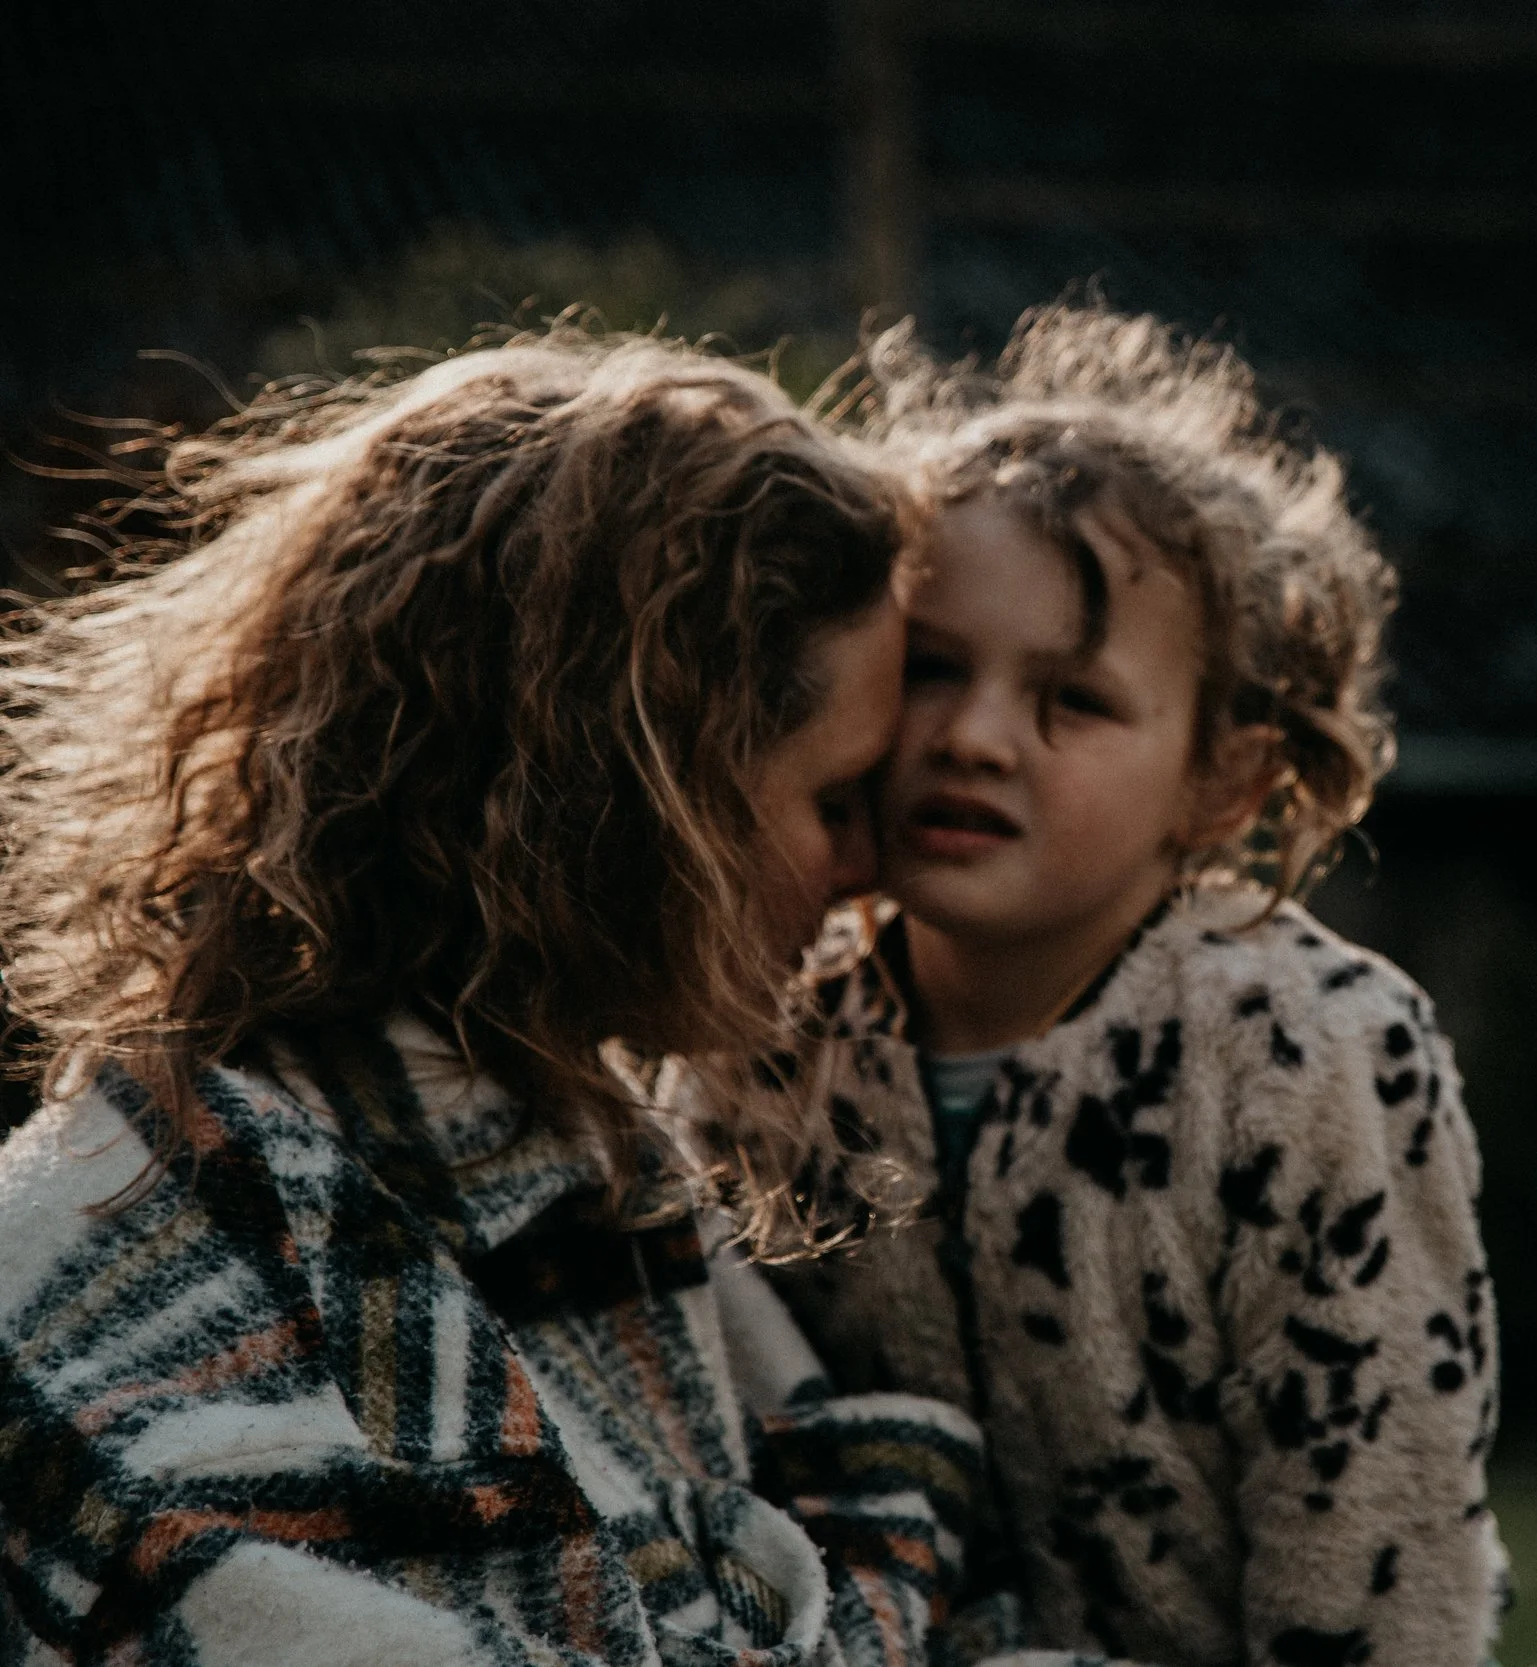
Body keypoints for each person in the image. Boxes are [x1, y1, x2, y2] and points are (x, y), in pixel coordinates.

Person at [0, 332, 1009, 1667]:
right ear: (646, 803)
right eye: (834, 802)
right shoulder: (158, 1241)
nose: (867, 869)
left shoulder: (571, 1142)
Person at [769, 306, 1507, 1667]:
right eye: (935, 668)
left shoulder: (1312, 1056)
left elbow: (1383, 1535)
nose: (975, 736)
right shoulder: (773, 1032)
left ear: (1224, 779)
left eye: (1073, 700)